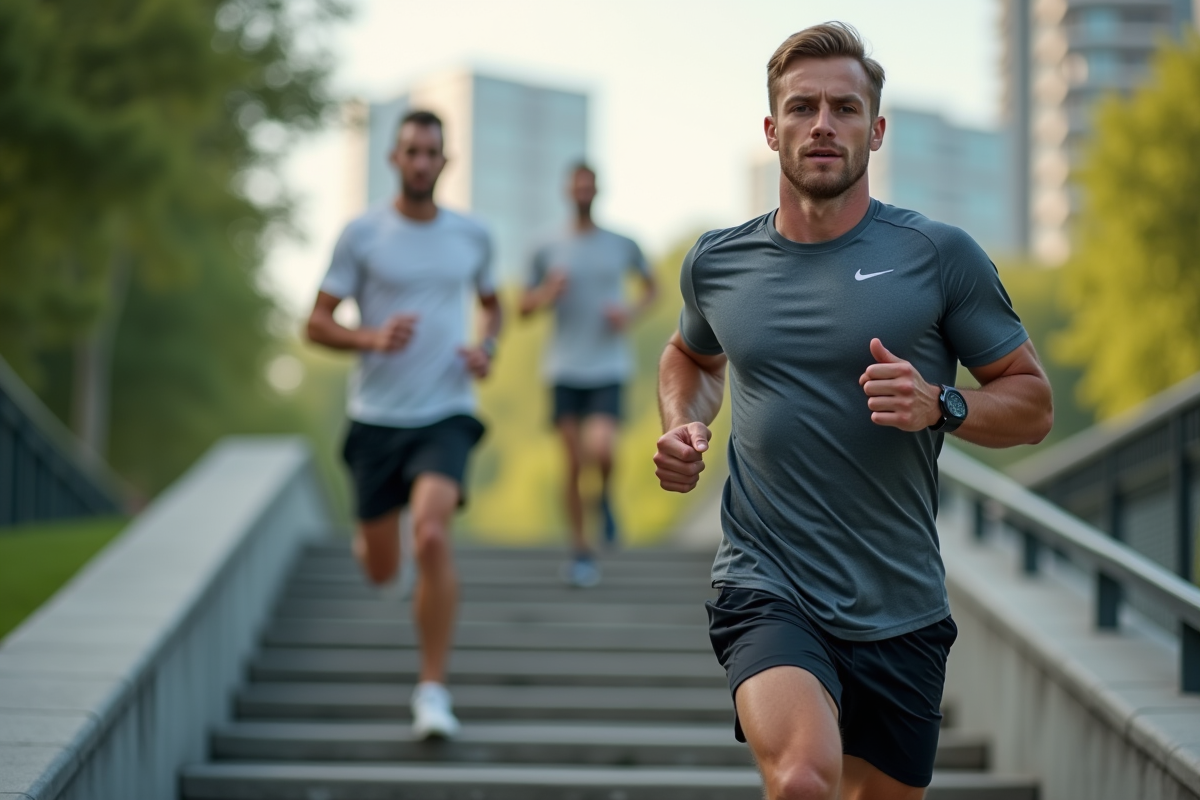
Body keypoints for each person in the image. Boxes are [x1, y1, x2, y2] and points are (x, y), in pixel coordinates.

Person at [653, 22, 1053, 800]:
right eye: (802, 108)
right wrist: (680, 423)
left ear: (876, 128)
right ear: (772, 131)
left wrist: (940, 404)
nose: (823, 124)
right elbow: (691, 357)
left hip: (900, 603)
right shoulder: (718, 262)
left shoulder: (939, 256)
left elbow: (1032, 404)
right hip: (767, 580)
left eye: (844, 107)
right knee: (803, 777)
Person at [306, 109, 501, 740]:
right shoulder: (361, 234)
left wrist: (487, 349)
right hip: (376, 419)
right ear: (394, 158)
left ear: (446, 162)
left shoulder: (472, 235)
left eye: (432, 153)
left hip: (446, 409)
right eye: (411, 151)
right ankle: (377, 549)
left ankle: (432, 691)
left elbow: (493, 308)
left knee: (433, 535)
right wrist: (369, 336)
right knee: (382, 568)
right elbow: (316, 321)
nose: (421, 162)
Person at [521, 163, 656, 587]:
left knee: (602, 450)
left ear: (597, 190)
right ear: (567, 190)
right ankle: (581, 550)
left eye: (589, 183)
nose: (582, 190)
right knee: (572, 463)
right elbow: (522, 308)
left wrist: (629, 312)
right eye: (576, 183)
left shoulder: (621, 243)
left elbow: (652, 287)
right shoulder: (544, 246)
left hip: (608, 364)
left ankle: (607, 499)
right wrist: (546, 293)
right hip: (563, 367)